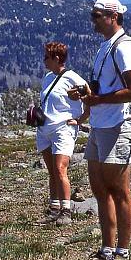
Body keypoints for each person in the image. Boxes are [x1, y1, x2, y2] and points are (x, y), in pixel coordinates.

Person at [68, 0, 131, 260]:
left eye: (98, 15)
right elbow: (105, 86)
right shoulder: (106, 47)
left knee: (119, 190)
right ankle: (107, 249)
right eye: (93, 14)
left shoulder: (124, 48)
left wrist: (98, 99)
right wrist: (88, 94)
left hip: (117, 125)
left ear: (113, 16)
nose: (94, 19)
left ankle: (122, 252)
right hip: (101, 125)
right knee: (100, 190)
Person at [34, 41, 88, 227]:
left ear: (57, 58)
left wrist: (80, 120)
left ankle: (66, 210)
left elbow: (90, 96)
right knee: (52, 171)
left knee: (60, 168)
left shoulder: (73, 78)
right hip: (45, 128)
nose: (44, 61)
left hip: (63, 128)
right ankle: (54, 208)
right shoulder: (48, 77)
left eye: (47, 58)